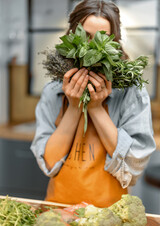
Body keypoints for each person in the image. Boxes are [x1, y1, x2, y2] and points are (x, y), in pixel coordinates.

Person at [31, 0, 156, 207]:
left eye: (102, 39)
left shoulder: (132, 92)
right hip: (59, 210)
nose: (91, 49)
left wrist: (95, 108)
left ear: (115, 43)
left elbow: (133, 166)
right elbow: (49, 163)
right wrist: (74, 106)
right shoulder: (53, 92)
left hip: (110, 215)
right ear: (71, 36)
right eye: (85, 36)